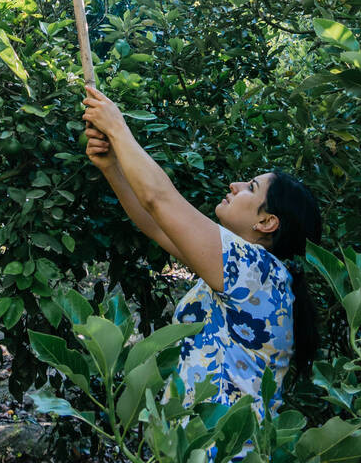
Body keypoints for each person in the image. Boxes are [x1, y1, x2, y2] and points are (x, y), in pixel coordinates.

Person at [81, 83, 323, 430]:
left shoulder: (259, 272)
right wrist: (112, 167)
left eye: (250, 188)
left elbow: (159, 200)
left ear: (267, 222)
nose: (235, 186)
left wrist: (118, 128)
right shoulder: (241, 267)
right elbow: (156, 224)